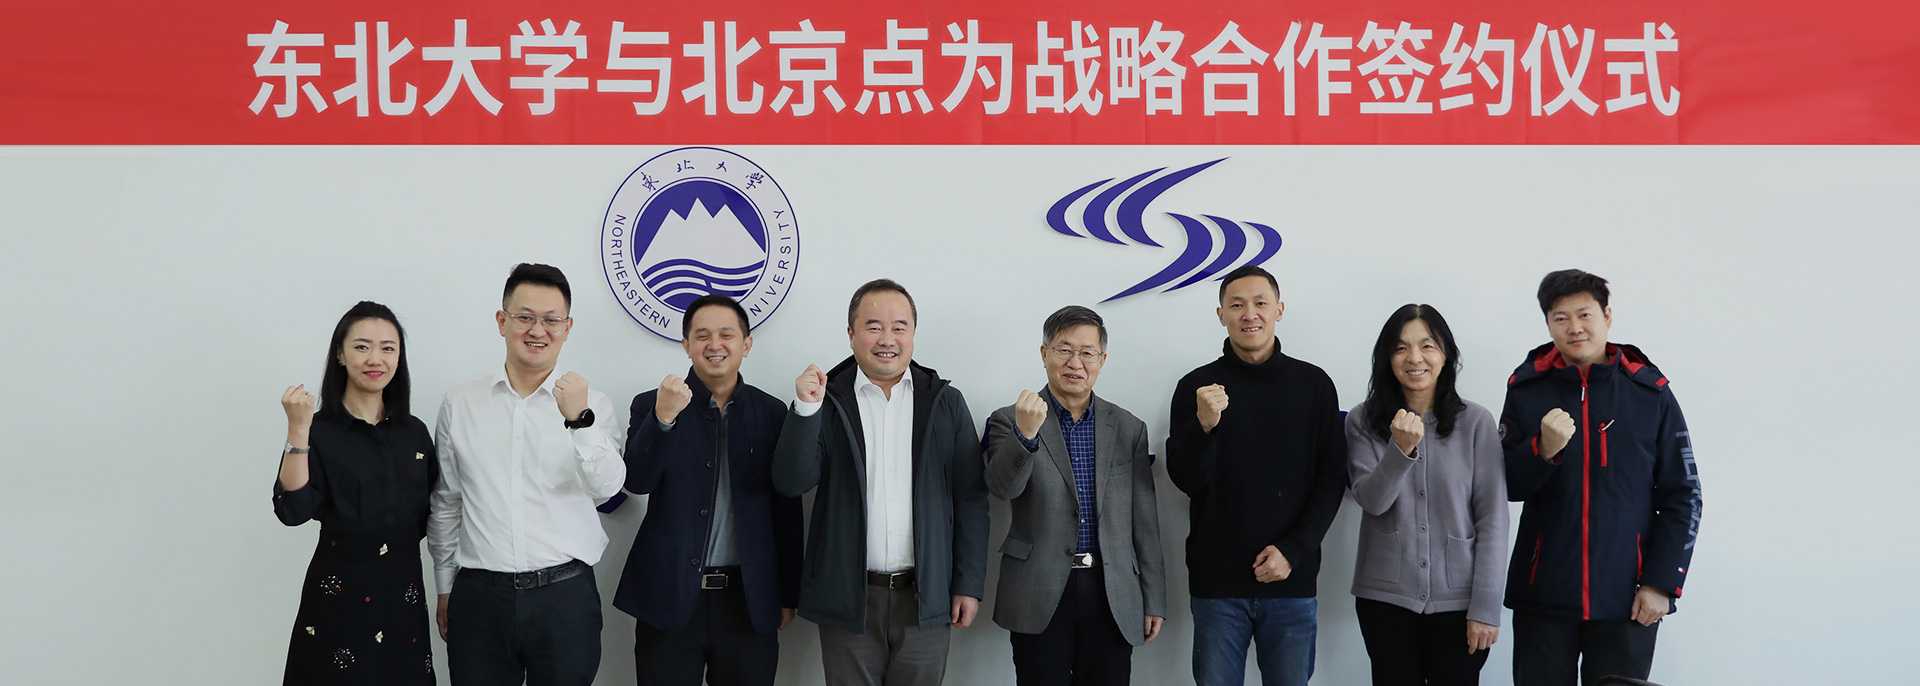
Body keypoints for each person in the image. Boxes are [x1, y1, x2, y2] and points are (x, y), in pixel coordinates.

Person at [772, 278, 989, 686]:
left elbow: (971, 500)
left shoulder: (945, 401)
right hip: (848, 598)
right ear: (851, 333)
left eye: (899, 327)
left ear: (913, 333)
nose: (887, 339)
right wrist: (805, 409)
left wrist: (968, 584)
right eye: (873, 327)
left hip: (926, 596)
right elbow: (791, 482)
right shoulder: (825, 400)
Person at [427, 263, 626, 686]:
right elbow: (447, 502)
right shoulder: (461, 403)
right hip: (479, 597)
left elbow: (607, 487)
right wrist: (444, 586)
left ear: (567, 327)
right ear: (502, 322)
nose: (538, 330)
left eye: (551, 320)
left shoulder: (594, 405)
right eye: (525, 317)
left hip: (565, 596)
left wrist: (580, 420)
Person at [1500, 270, 1702, 686]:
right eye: (1560, 318)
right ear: (1548, 324)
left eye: (1585, 314)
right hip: (1543, 595)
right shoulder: (1527, 389)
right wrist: (1543, 450)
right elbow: (1506, 485)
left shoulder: (1650, 392)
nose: (1574, 327)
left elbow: (1684, 495)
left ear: (1607, 316)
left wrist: (1662, 584)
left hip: (1628, 600)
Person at [1166, 264, 1346, 686]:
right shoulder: (1196, 387)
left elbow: (1331, 478)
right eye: (1237, 305)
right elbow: (1185, 479)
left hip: (1291, 580)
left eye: (1260, 303)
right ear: (1221, 315)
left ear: (1278, 310)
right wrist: (1204, 426)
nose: (1250, 314)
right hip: (1217, 585)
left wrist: (1293, 551)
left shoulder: (1314, 384)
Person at [614, 294, 803, 686]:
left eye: (726, 335)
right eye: (702, 336)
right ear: (686, 345)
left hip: (748, 600)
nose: (714, 344)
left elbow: (787, 511)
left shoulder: (772, 413)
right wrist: (663, 418)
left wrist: (788, 594)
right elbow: (637, 481)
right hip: (669, 597)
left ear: (746, 344)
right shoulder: (651, 404)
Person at [982, 305, 1168, 686]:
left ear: (1102, 360)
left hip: (1111, 590)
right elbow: (1002, 489)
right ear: (1044, 353)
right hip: (1039, 589)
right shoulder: (1010, 419)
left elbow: (1144, 521)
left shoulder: (1129, 427)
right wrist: (1025, 435)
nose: (1075, 362)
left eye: (1087, 352)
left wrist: (1154, 598)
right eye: (1064, 350)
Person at [274, 301, 436, 685]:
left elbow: (432, 514)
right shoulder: (318, 430)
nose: (375, 359)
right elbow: (292, 510)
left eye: (388, 348)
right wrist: (298, 430)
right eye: (362, 346)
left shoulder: (414, 433)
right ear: (340, 354)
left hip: (402, 597)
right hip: (339, 599)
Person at [1345, 304, 1509, 686]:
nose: (1414, 358)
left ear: (1445, 354)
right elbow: (1371, 501)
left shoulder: (1476, 422)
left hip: (1460, 603)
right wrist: (1400, 450)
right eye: (1401, 348)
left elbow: (1493, 521)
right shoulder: (1363, 420)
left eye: (1427, 346)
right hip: (1385, 601)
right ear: (1387, 358)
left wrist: (1485, 608)